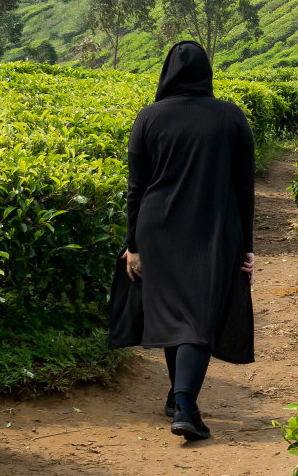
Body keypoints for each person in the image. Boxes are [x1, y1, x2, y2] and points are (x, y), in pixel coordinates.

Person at [108, 40, 256, 441]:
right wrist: (247, 246)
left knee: (177, 313)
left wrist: (133, 245)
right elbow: (244, 189)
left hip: (158, 229)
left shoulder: (149, 117)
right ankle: (186, 405)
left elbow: (136, 188)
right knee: (197, 315)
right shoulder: (231, 117)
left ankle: (178, 398)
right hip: (213, 228)